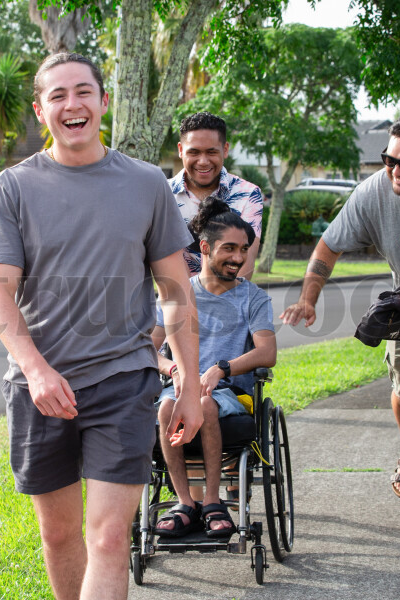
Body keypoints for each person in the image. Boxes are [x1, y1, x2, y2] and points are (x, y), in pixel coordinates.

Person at [0, 52, 203, 600]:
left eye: (83, 92)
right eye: (57, 95)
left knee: (109, 535)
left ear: (103, 102)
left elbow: (175, 293)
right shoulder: (14, 187)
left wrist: (189, 385)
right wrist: (36, 369)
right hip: (37, 387)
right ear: (40, 110)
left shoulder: (146, 184)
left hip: (123, 379)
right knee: (57, 533)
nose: (71, 105)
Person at [280, 113, 400, 537]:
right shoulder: (375, 190)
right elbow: (330, 245)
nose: (395, 170)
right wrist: (308, 298)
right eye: (388, 159)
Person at [152, 198, 277, 537]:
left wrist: (222, 368)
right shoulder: (177, 295)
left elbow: (267, 353)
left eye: (244, 249)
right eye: (230, 248)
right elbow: (146, 351)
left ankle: (211, 501)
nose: (239, 257)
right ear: (205, 247)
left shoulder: (253, 298)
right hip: (176, 388)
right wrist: (173, 369)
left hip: (228, 393)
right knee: (166, 406)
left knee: (205, 404)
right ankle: (184, 503)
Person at [169, 112, 264, 279]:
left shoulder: (248, 195)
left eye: (211, 152)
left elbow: (244, 266)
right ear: (180, 150)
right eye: (194, 152)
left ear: (225, 149)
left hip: (229, 300)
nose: (203, 161)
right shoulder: (163, 194)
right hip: (177, 299)